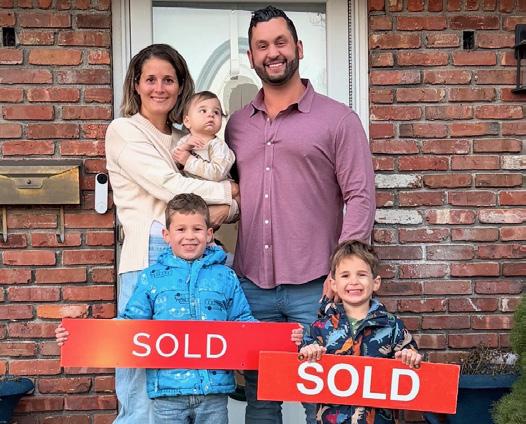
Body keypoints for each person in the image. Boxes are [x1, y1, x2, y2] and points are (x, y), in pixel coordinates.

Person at [224, 5, 376, 423]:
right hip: (252, 285)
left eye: (280, 42)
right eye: (261, 46)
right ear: (251, 57)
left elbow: (360, 197)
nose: (272, 52)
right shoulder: (236, 126)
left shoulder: (338, 120)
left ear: (299, 48)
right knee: (260, 399)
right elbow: (226, 193)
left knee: (322, 399)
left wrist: (342, 273)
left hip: (317, 285)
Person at [56, 193, 303, 424]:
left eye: (197, 229)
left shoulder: (225, 277)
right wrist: (78, 337)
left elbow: (243, 321)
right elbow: (129, 325)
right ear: (166, 235)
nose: (189, 236)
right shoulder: (152, 278)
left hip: (213, 393)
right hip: (167, 393)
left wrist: (281, 339)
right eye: (181, 229)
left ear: (209, 233)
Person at [103, 44, 239, 423]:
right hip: (146, 257)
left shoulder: (187, 138)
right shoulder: (124, 130)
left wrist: (228, 204)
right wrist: (228, 194)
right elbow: (170, 187)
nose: (159, 88)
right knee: (140, 379)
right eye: (150, 79)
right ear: (136, 84)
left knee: (187, 373)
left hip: (196, 261)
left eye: (168, 80)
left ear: (181, 86)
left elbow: (228, 203)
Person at [299, 240, 422, 424]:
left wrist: (409, 356)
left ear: (376, 282)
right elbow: (302, 361)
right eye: (345, 275)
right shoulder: (319, 328)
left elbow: (412, 357)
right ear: (333, 284)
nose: (354, 282)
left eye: (362, 274)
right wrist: (308, 352)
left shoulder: (392, 325)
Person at [172, 91, 235, 185]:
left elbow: (217, 174)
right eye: (203, 111)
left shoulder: (219, 146)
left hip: (217, 191)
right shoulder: (185, 141)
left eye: (216, 112)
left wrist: (188, 160)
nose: (211, 115)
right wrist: (185, 148)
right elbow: (172, 163)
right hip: (192, 189)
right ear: (187, 121)